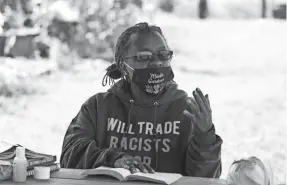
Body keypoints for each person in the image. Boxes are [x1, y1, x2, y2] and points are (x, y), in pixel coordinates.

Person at [60, 22, 223, 177]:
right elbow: (70, 155)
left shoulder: (187, 111)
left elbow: (206, 178)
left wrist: (205, 137)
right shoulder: (98, 107)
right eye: (144, 57)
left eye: (163, 55)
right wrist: (112, 160)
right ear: (124, 67)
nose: (157, 63)